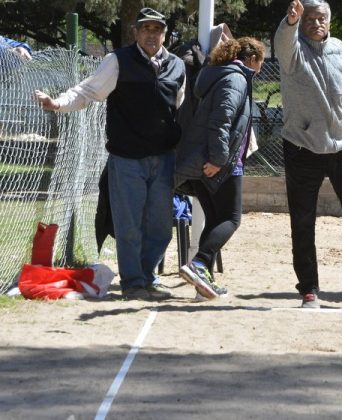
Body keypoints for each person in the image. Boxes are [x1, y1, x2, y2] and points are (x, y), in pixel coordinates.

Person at [34, 7, 186, 301]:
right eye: (146, 29)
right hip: (126, 159)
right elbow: (87, 92)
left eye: (157, 29)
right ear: (135, 32)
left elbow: (181, 107)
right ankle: (133, 283)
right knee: (128, 226)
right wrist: (58, 103)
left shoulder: (177, 66)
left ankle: (147, 276)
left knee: (159, 227)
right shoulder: (117, 61)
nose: (151, 34)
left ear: (165, 34)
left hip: (165, 158)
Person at [275, 0, 342, 308]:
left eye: (320, 18)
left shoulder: (340, 49)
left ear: (329, 22)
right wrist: (290, 21)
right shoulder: (292, 50)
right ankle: (308, 288)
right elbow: (283, 39)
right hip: (301, 148)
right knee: (303, 220)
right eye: (308, 18)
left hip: (341, 146)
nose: (315, 22)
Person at [174, 37, 264, 300]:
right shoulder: (235, 79)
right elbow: (220, 121)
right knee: (231, 219)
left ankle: (205, 282)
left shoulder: (220, 75)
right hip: (219, 164)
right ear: (253, 60)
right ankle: (199, 263)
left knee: (214, 220)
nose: (260, 69)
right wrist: (219, 159)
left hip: (207, 161)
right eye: (260, 62)